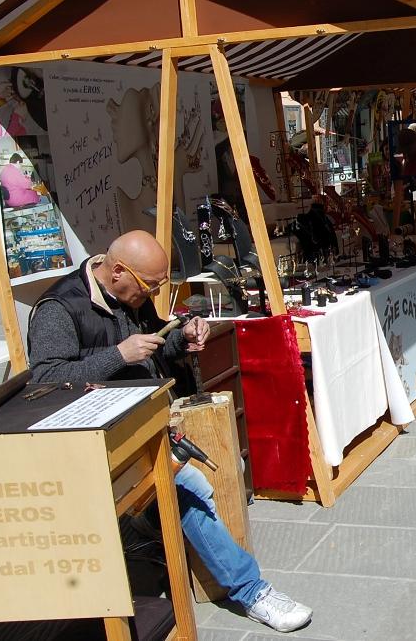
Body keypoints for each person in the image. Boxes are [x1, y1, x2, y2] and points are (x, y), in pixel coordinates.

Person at [27, 231, 312, 633]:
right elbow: (45, 382)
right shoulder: (59, 308)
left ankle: (157, 534)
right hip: (90, 447)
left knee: (195, 491)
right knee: (188, 495)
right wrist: (117, 355)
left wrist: (181, 337)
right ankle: (252, 592)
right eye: (149, 287)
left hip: (140, 425)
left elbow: (155, 341)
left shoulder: (129, 293)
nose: (151, 295)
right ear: (118, 272)